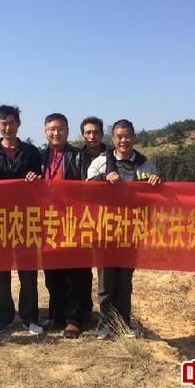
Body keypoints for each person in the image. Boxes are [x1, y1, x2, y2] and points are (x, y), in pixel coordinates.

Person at [87, 119, 161, 340]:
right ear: (113, 139)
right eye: (119, 136)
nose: (124, 140)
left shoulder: (145, 165)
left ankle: (124, 322)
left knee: (125, 281)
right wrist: (102, 178)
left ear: (134, 137)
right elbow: (85, 190)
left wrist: (157, 183)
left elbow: (154, 198)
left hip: (131, 231)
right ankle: (106, 325)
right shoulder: (101, 162)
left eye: (128, 136)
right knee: (106, 282)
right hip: (105, 230)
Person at [0, 105, 43, 334]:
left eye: (11, 122)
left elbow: (41, 181)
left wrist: (36, 177)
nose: (8, 127)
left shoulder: (31, 152)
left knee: (28, 271)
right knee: (1, 271)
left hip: (25, 219)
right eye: (3, 123)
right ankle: (4, 316)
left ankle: (30, 317)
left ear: (18, 124)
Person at [36, 113, 91, 338]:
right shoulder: (39, 157)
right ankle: (56, 316)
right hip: (48, 222)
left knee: (73, 273)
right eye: (51, 129)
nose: (56, 133)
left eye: (60, 129)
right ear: (44, 131)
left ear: (68, 131)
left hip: (72, 221)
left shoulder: (79, 156)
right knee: (52, 274)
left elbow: (90, 185)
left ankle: (73, 319)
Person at [79, 116, 107, 328]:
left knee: (106, 272)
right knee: (82, 270)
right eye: (88, 133)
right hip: (81, 219)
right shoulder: (75, 156)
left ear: (102, 134)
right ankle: (84, 313)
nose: (92, 136)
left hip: (107, 220)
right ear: (82, 136)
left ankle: (109, 317)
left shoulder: (112, 157)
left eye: (95, 132)